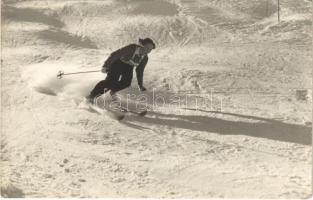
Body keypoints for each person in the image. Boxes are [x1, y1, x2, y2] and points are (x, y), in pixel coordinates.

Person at [86, 38, 156, 104]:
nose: (148, 51)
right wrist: (106, 66)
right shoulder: (132, 48)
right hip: (118, 63)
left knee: (126, 83)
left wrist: (140, 85)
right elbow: (116, 54)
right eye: (147, 47)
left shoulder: (145, 58)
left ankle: (113, 91)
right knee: (110, 82)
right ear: (142, 45)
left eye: (150, 49)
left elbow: (139, 71)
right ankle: (91, 96)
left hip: (129, 67)